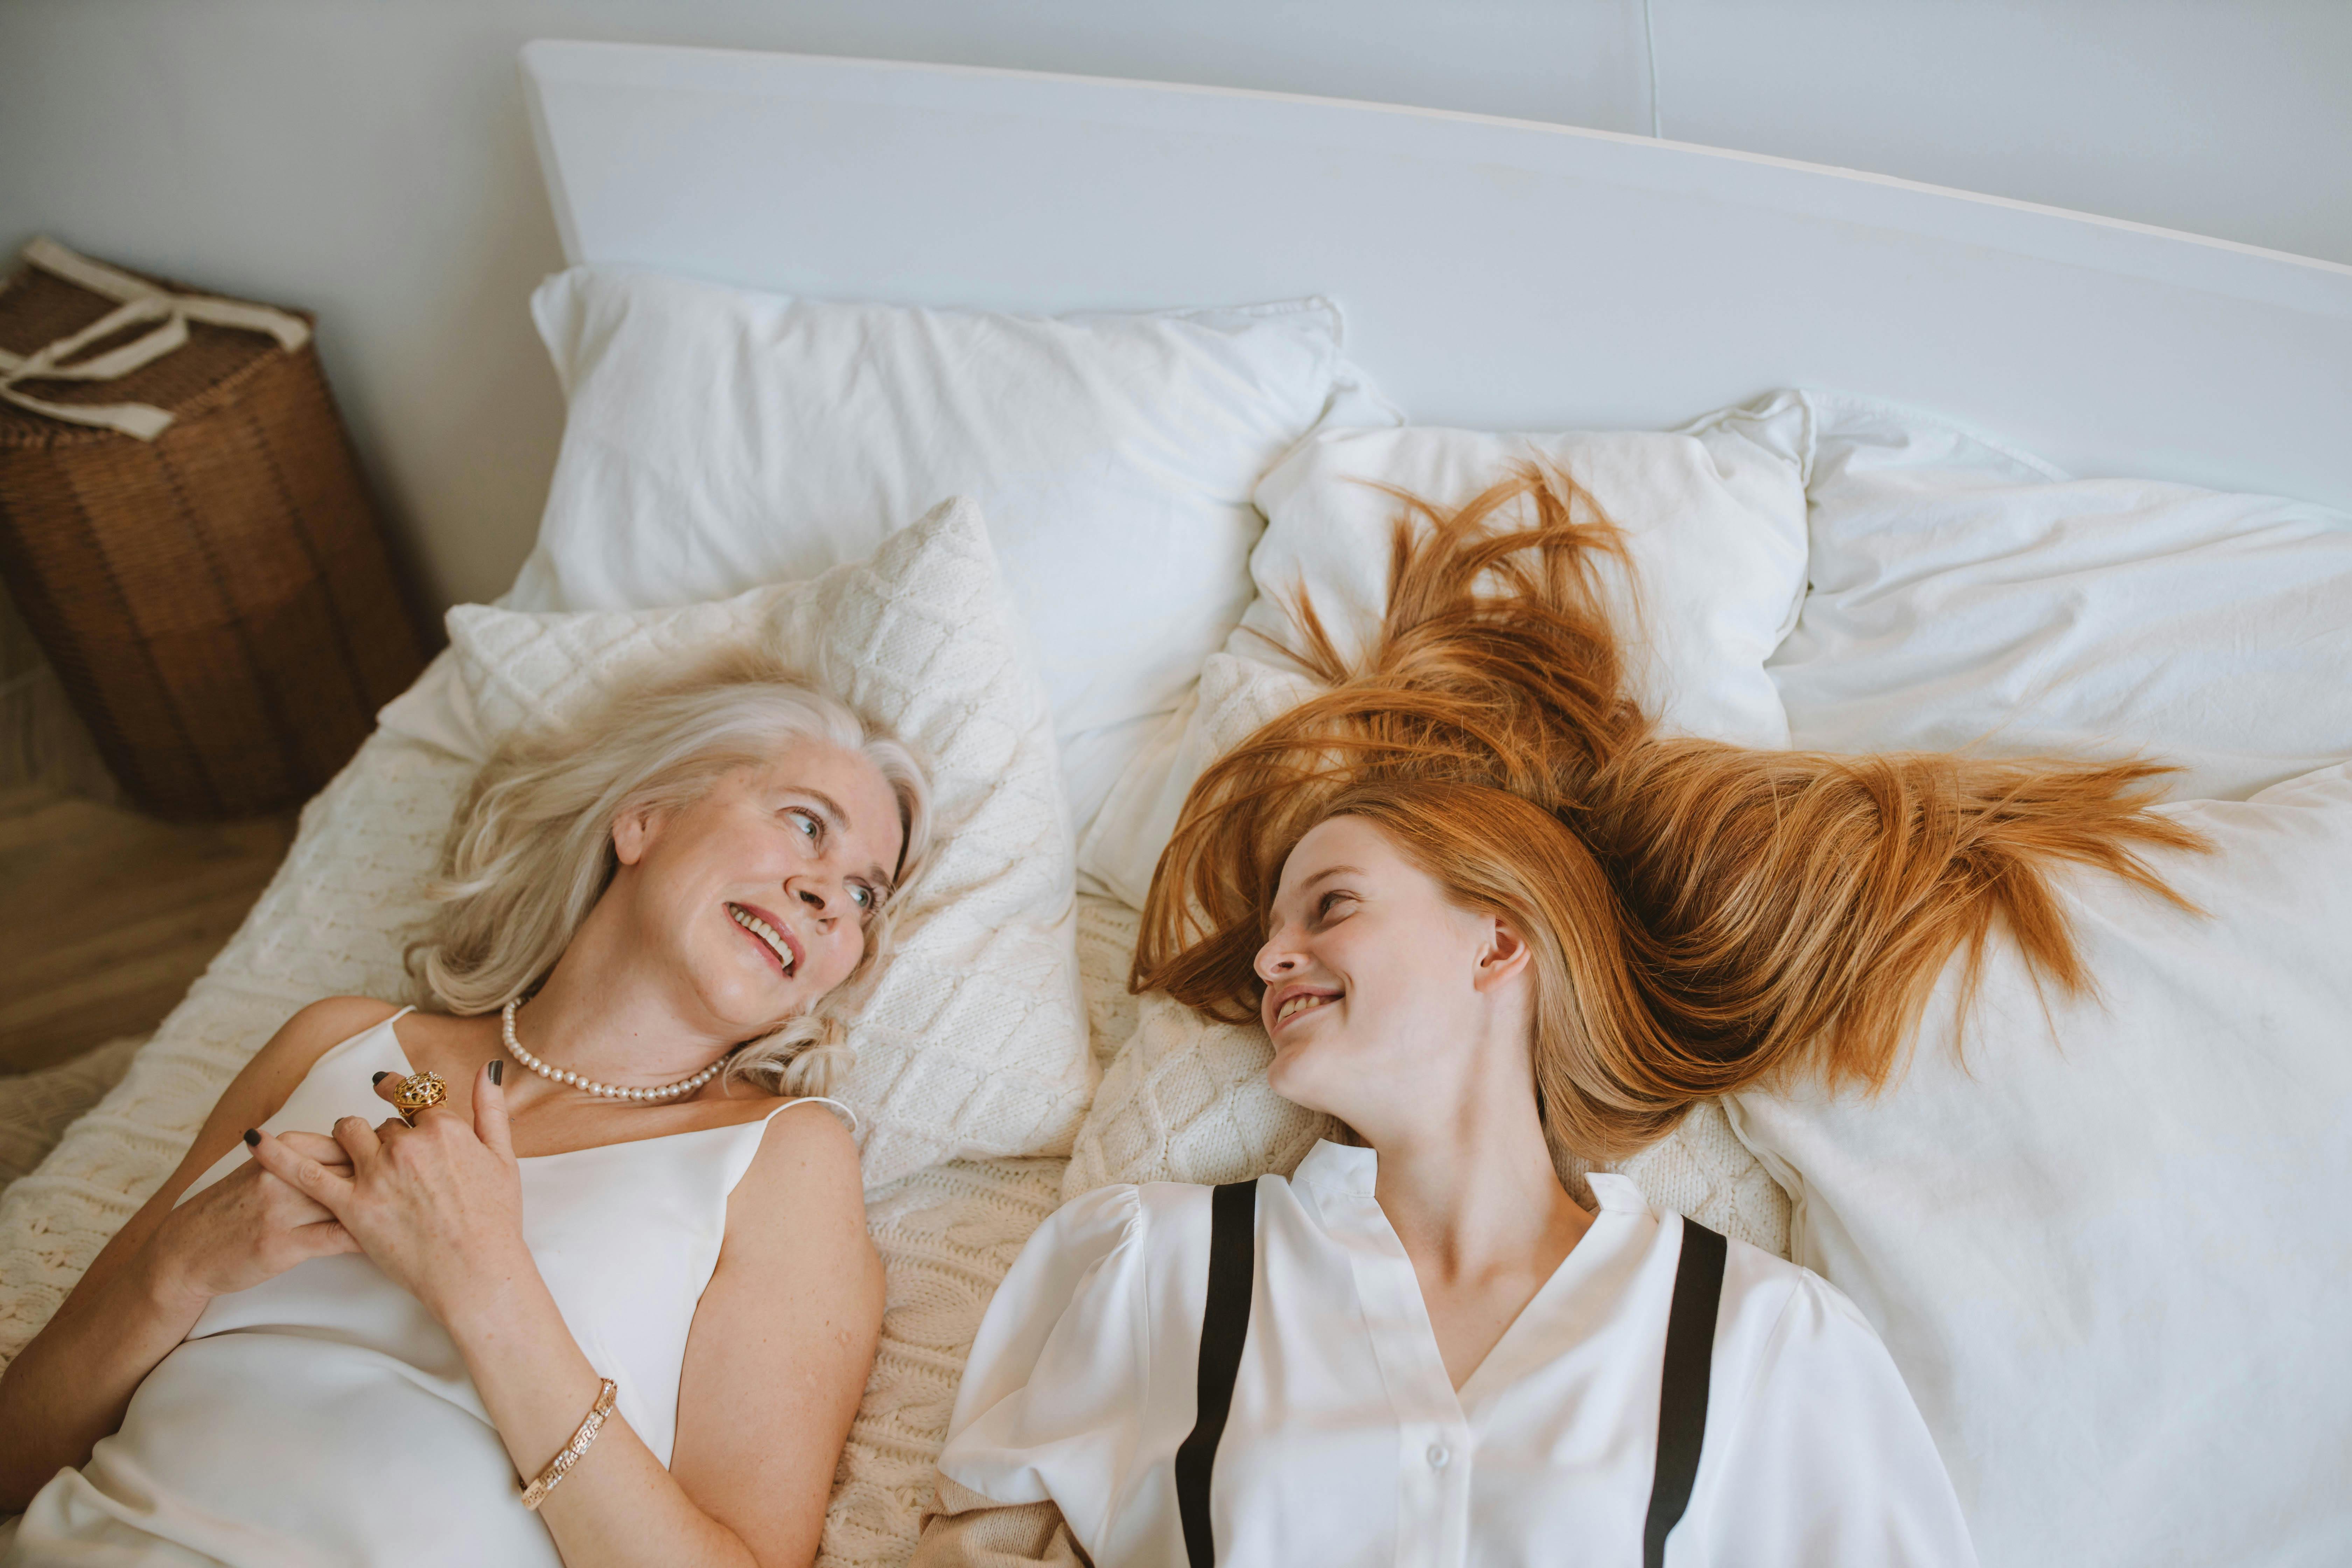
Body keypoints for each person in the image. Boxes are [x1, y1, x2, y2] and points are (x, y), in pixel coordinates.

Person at [913, 471, 2200, 1567]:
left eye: (1331, 905)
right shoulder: (1149, 1268)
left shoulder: (1762, 1337)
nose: (1272, 959)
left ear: (1501, 939)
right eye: (1270, 935)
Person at [0, 650, 931, 1568]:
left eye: (862, 896)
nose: (826, 900)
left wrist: (486, 1284)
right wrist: (182, 1265)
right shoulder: (339, 1045)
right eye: (806, 826)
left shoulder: (779, 1159)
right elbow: (14, 1456)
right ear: (644, 820)